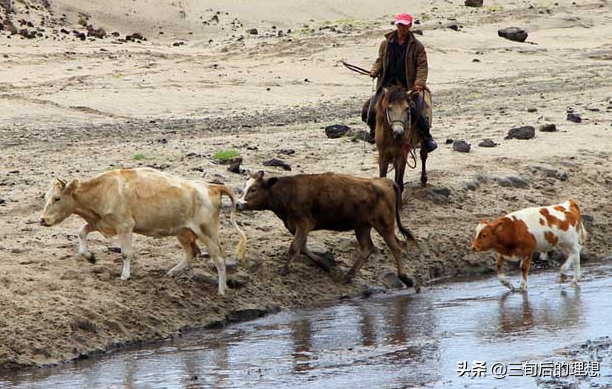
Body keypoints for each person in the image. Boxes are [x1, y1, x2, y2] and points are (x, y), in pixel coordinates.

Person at [366, 12, 437, 152]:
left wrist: (419, 83)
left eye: (404, 25)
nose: (401, 28)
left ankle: (427, 138)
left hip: (407, 88)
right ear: (396, 25)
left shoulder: (417, 46)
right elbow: (380, 60)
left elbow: (422, 66)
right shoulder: (385, 44)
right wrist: (374, 70)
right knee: (368, 111)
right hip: (387, 87)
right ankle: (374, 133)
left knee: (419, 112)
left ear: (410, 26)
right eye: (399, 25)